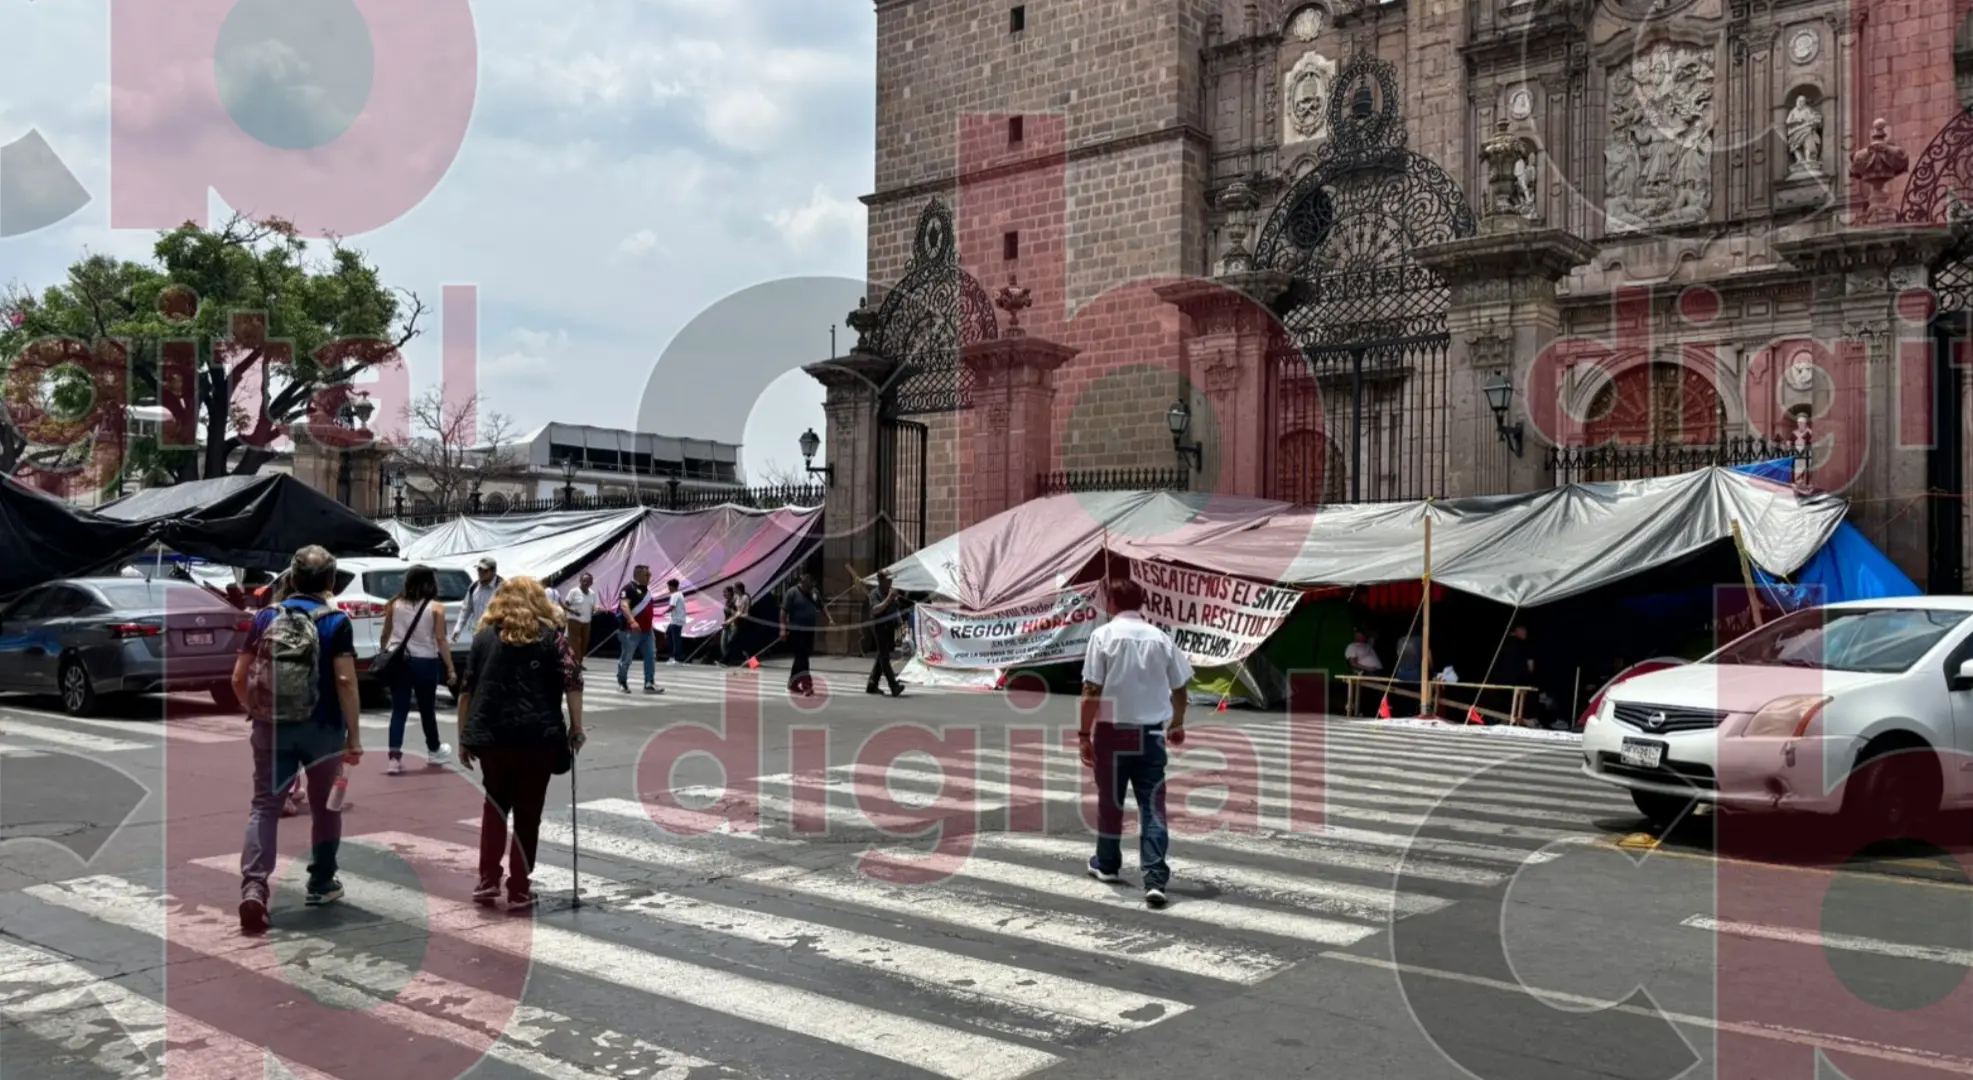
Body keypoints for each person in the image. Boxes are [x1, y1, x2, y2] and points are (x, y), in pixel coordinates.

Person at [232, 545, 362, 933]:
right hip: (322, 730)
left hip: (271, 727)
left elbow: (239, 677)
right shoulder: (337, 622)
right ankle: (321, 882)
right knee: (325, 809)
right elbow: (345, 681)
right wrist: (353, 736)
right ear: (329, 581)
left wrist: (254, 709)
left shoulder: (266, 616)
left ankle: (254, 888)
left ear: (291, 576)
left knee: (264, 807)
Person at [455, 577, 585, 910]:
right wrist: (577, 727)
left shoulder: (484, 638)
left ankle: (487, 880)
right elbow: (573, 681)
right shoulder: (553, 639)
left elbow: (467, 691)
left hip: (493, 738)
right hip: (537, 738)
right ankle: (519, 889)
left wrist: (463, 738)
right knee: (529, 813)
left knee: (495, 806)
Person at [1079, 578, 1191, 909]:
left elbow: (1091, 690)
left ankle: (1108, 864)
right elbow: (1181, 687)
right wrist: (1178, 722)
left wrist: (1084, 734)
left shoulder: (1102, 636)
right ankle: (1155, 878)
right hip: (1151, 734)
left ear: (1112, 602)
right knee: (1152, 806)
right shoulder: (1160, 638)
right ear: (1140, 603)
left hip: (1112, 733)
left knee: (1110, 803)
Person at [379, 564, 457, 773]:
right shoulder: (436, 608)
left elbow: (386, 634)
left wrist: (385, 652)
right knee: (427, 709)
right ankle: (434, 749)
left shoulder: (394, 604)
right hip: (426, 661)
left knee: (399, 710)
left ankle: (394, 758)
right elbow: (440, 639)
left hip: (399, 660)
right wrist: (450, 667)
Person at [616, 565, 663, 694]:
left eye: (649, 574)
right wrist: (632, 621)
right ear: (638, 575)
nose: (649, 577)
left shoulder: (647, 591)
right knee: (627, 657)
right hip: (631, 631)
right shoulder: (628, 588)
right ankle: (622, 681)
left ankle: (649, 683)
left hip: (647, 631)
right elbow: (624, 606)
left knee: (650, 656)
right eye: (647, 575)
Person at [779, 573, 821, 696]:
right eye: (807, 586)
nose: (809, 588)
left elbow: (821, 606)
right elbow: (783, 611)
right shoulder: (792, 593)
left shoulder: (813, 593)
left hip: (809, 630)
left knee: (801, 657)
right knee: (802, 657)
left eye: (811, 586)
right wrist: (782, 629)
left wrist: (829, 618)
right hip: (796, 630)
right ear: (802, 583)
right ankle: (807, 685)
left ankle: (792, 683)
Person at [866, 570, 905, 697]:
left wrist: (899, 623)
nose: (891, 582)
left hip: (889, 627)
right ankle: (893, 686)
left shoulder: (890, 593)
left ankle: (872, 684)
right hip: (879, 626)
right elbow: (875, 610)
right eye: (888, 580)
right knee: (884, 657)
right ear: (881, 581)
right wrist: (889, 599)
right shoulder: (874, 594)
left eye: (891, 580)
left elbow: (895, 609)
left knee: (881, 655)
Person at [453, 557, 502, 643]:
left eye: (485, 570)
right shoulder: (474, 587)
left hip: (496, 635)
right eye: (479, 569)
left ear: (493, 571)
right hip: (478, 633)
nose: (481, 573)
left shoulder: (502, 588)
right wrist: (458, 628)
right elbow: (466, 609)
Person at [560, 572, 598, 667]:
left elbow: (594, 606)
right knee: (575, 643)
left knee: (585, 643)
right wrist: (573, 611)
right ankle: (574, 663)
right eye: (584, 581)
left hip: (587, 621)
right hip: (574, 620)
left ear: (591, 582)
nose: (586, 583)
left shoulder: (592, 594)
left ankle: (579, 662)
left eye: (588, 581)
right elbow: (565, 605)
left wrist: (597, 609)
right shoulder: (574, 591)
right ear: (580, 581)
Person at [665, 578, 687, 664]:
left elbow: (672, 607)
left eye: (669, 587)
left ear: (673, 587)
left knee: (676, 639)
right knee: (668, 634)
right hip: (675, 620)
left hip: (677, 620)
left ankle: (678, 658)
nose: (668, 589)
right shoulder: (680, 594)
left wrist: (664, 612)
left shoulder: (675, 595)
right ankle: (672, 656)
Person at [720, 586, 741, 667]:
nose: (724, 594)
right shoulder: (727, 601)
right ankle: (725, 659)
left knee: (730, 642)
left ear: (730, 592)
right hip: (726, 624)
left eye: (725, 592)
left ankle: (726, 660)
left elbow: (737, 613)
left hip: (733, 624)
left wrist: (730, 619)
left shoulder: (736, 600)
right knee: (723, 643)